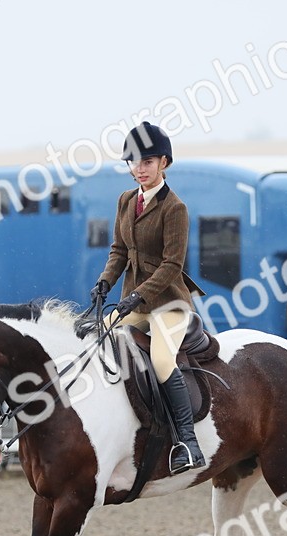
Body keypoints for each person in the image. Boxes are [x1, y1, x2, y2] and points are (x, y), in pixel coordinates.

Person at [91, 122, 207, 474]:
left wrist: (138, 294)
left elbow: (173, 265)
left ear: (164, 163)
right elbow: (118, 251)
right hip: (133, 301)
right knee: (96, 338)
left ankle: (188, 441)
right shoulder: (126, 201)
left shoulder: (175, 208)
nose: (138, 170)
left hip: (169, 304)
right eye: (133, 163)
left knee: (159, 359)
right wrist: (104, 283)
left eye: (146, 162)